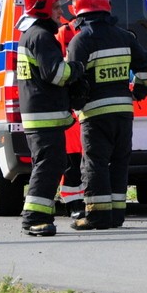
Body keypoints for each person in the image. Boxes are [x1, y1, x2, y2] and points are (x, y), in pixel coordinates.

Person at [65, 0, 147, 230]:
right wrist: (136, 92)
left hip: (94, 114)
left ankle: (96, 216)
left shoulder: (80, 41)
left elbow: (71, 79)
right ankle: (116, 215)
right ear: (107, 8)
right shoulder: (125, 37)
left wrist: (73, 103)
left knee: (94, 162)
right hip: (123, 113)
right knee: (119, 161)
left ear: (79, 12)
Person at [16, 0, 85, 237]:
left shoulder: (31, 35)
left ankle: (41, 215)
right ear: (44, 7)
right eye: (57, 6)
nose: (61, 11)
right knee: (49, 165)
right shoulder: (43, 37)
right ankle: (33, 218)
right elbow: (56, 74)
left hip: (40, 114)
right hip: (45, 116)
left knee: (50, 164)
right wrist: (77, 68)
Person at [55, 19, 85, 221]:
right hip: (71, 110)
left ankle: (81, 202)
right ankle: (73, 203)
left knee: (85, 161)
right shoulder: (63, 34)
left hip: (86, 109)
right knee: (73, 161)